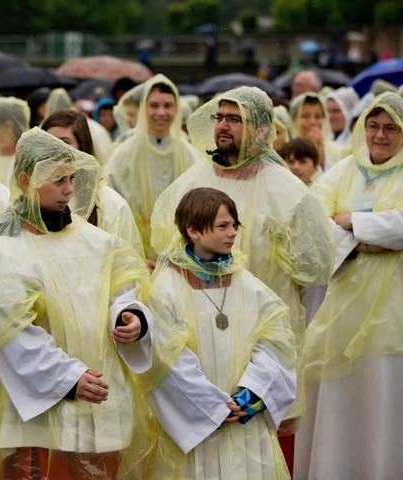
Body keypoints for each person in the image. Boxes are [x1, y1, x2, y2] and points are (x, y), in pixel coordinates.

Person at [150, 86, 335, 476]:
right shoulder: (191, 182)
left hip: (263, 350)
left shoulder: (289, 193)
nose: (223, 127)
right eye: (220, 117)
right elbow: (170, 257)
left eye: (235, 119)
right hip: (199, 351)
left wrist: (280, 339)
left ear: (263, 129)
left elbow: (314, 279)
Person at [0, 127, 154, 479]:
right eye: (57, 180)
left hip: (100, 390)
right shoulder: (2, 247)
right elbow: (6, 329)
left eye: (71, 179)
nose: (68, 190)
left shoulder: (95, 240)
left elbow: (124, 286)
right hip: (39, 403)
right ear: (23, 179)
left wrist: (130, 315)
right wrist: (67, 377)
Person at [140, 187, 297, 479]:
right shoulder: (166, 289)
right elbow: (165, 360)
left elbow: (276, 339)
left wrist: (253, 393)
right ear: (194, 231)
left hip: (243, 418)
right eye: (223, 226)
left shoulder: (246, 282)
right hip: (199, 424)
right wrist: (212, 406)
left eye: (234, 224)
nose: (233, 233)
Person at [294, 92, 403, 479]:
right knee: (339, 400)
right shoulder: (343, 171)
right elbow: (314, 215)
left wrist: (353, 223)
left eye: (391, 127)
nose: (380, 135)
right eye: (373, 126)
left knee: (383, 399)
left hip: (391, 313)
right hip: (339, 309)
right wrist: (373, 242)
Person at [104, 74, 203, 264]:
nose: (161, 113)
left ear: (177, 109)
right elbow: (109, 203)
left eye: (167, 106)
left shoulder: (190, 154)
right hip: (132, 251)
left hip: (181, 255)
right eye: (154, 105)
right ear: (143, 109)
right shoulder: (124, 153)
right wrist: (134, 255)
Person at [41, 108, 145, 258]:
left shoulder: (111, 205)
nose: (55, 150)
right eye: (47, 143)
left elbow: (125, 266)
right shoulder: (38, 199)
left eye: (64, 143)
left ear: (82, 147)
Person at [290, 92, 344, 171]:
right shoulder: (286, 149)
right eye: (306, 116)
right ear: (293, 120)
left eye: (318, 116)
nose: (313, 122)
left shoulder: (338, 151)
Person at [325, 86, 359, 153]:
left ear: (348, 112)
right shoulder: (326, 137)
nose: (330, 116)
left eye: (335, 111)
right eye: (328, 111)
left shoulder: (356, 144)